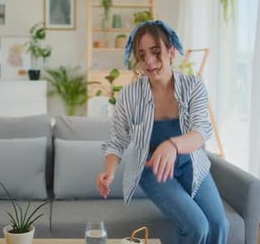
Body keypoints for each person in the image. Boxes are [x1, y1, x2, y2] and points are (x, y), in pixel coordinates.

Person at [95, 20, 229, 244]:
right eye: (142, 54)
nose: (148, 61)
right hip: (151, 169)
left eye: (156, 52)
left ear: (171, 52)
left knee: (219, 225)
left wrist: (172, 146)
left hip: (192, 163)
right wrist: (109, 171)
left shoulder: (193, 86)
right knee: (197, 226)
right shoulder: (131, 95)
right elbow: (117, 140)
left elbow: (201, 131)